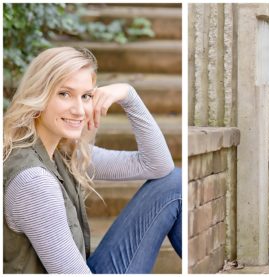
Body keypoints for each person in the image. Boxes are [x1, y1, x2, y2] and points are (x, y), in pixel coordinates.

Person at [3, 47, 182, 274]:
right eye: (64, 94)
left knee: (174, 184)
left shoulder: (61, 152)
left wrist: (129, 95)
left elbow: (158, 166)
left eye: (86, 96)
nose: (79, 110)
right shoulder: (34, 181)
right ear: (39, 95)